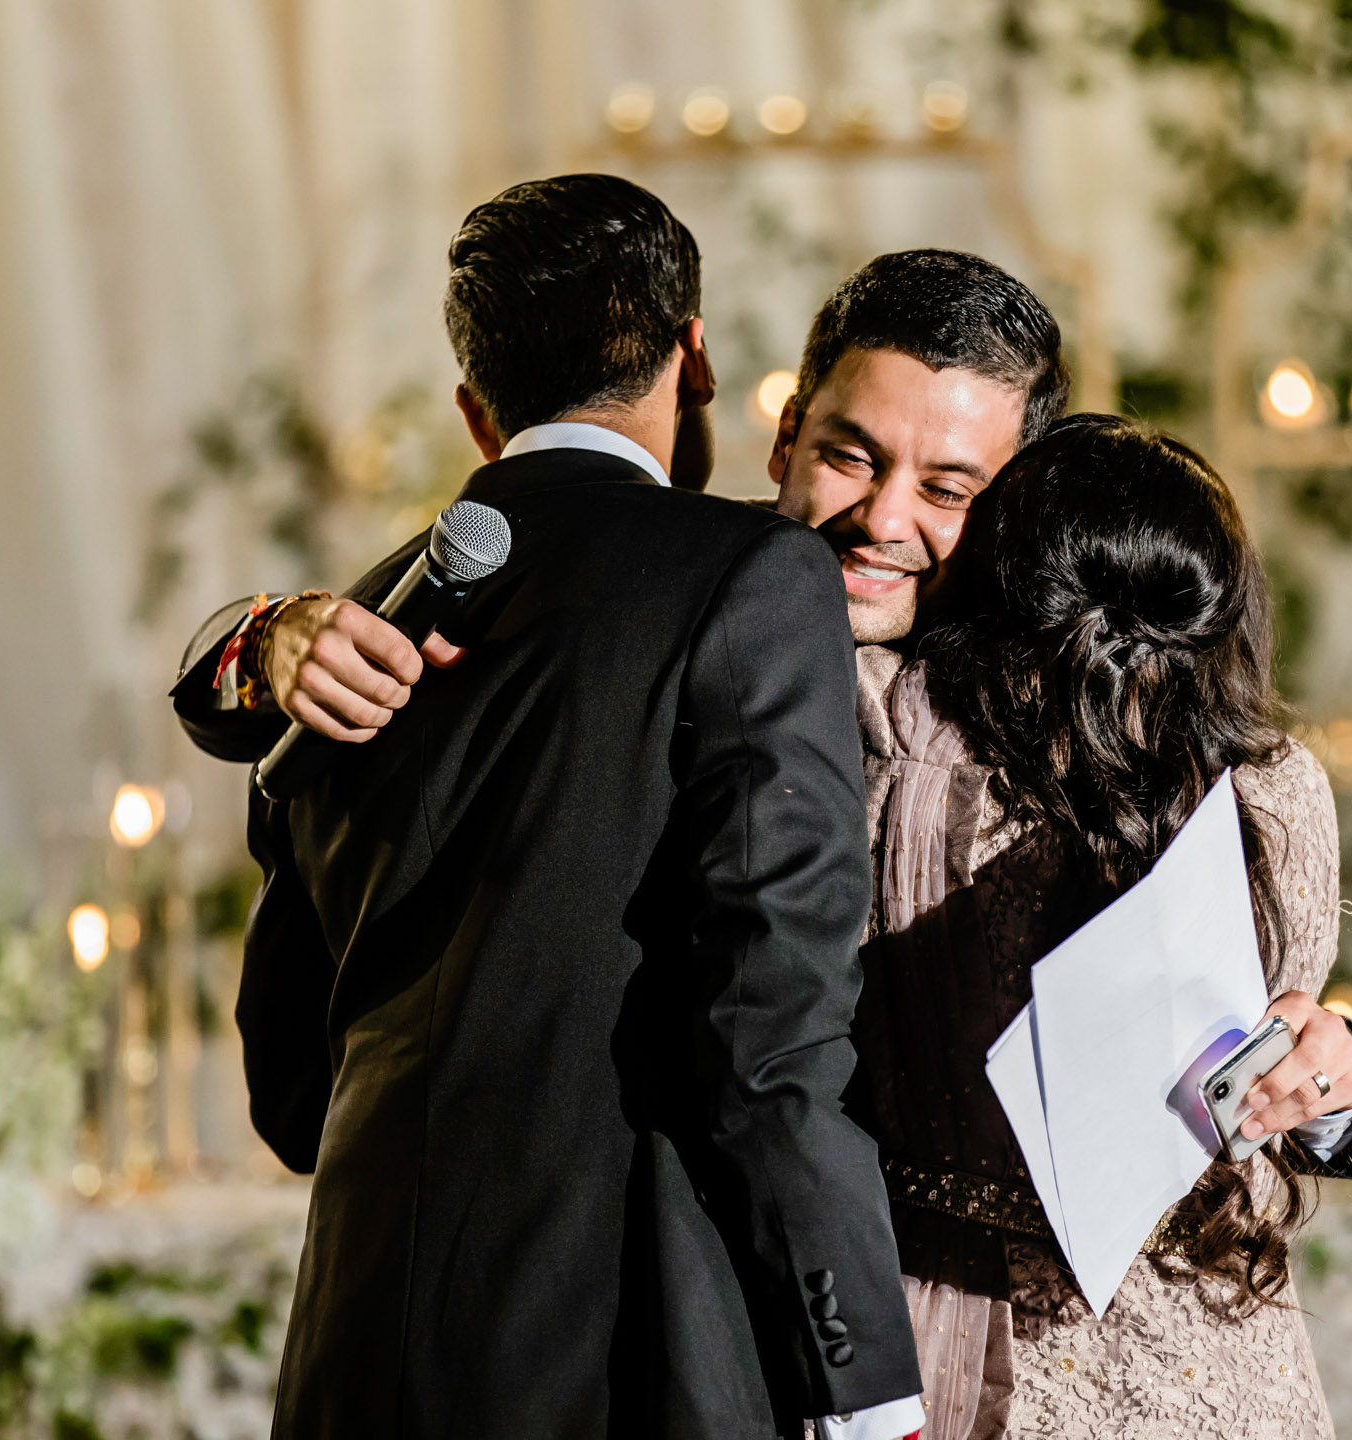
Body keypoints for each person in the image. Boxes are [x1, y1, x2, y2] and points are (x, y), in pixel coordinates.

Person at [196, 174, 924, 1439]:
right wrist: (865, 1389)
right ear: (693, 356)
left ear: (478, 412)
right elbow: (772, 1030)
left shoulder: (343, 635)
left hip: (357, 1360)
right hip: (625, 1356)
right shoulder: (757, 578)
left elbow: (289, 1096)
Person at [855, 413, 1352, 1439]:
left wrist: (1337, 1080)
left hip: (1186, 1352)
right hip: (989, 1344)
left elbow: (1287, 1080)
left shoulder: (1268, 793)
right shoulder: (886, 729)